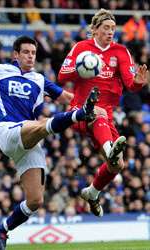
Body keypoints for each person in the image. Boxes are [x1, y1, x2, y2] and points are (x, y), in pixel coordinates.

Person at [0, 35, 103, 250]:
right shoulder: (0, 70)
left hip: (29, 140)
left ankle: (3, 229)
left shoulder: (40, 80)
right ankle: (79, 115)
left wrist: (95, 107)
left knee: (35, 201)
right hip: (7, 131)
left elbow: (67, 98)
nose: (31, 57)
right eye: (26, 52)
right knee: (42, 125)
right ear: (16, 54)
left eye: (33, 53)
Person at [58, 9, 148, 217]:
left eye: (113, 29)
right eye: (106, 28)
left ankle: (92, 192)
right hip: (80, 109)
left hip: (105, 116)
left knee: (118, 165)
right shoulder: (81, 48)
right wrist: (79, 71)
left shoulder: (121, 52)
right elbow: (62, 76)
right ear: (95, 30)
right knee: (98, 113)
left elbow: (129, 84)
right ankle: (110, 151)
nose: (110, 32)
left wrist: (138, 83)